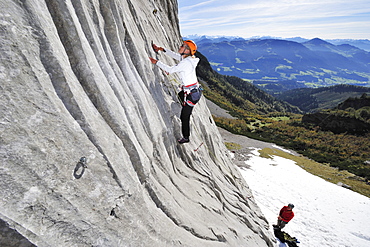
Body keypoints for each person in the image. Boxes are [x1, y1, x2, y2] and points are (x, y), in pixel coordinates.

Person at [149, 40, 201, 144]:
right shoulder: (188, 58)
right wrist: (162, 49)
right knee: (180, 95)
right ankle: (185, 106)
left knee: (184, 117)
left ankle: (186, 137)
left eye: (183, 46)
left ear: (187, 50)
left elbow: (171, 70)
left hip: (192, 95)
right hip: (192, 90)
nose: (180, 46)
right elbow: (176, 56)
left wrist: (156, 62)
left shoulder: (186, 63)